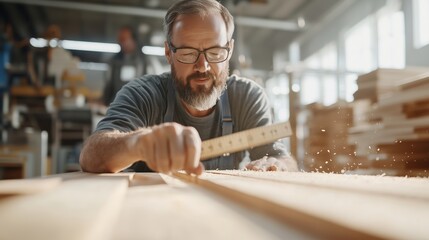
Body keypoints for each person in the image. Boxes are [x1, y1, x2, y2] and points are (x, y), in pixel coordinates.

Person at [79, 0, 298, 175]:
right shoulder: (142, 95)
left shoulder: (246, 97)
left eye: (214, 52)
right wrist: (138, 143)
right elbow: (91, 155)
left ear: (229, 51)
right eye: (187, 53)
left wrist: (277, 165)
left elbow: (282, 159)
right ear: (168, 53)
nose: (202, 67)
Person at [102, 26, 145, 106]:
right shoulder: (114, 61)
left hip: (138, 108)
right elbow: (109, 86)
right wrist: (105, 102)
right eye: (120, 39)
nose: (120, 42)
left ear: (134, 40)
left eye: (124, 39)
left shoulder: (144, 62)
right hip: (115, 106)